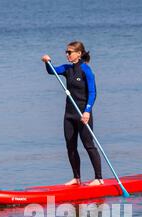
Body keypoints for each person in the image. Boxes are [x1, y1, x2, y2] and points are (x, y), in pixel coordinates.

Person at [42, 41, 104, 186]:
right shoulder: (67, 69)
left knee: (88, 145)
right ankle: (76, 178)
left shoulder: (86, 70)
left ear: (79, 53)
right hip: (69, 114)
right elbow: (52, 71)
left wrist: (87, 111)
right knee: (70, 146)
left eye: (70, 52)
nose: (67, 54)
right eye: (66, 52)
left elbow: (93, 93)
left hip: (83, 114)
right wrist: (47, 62)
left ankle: (99, 178)